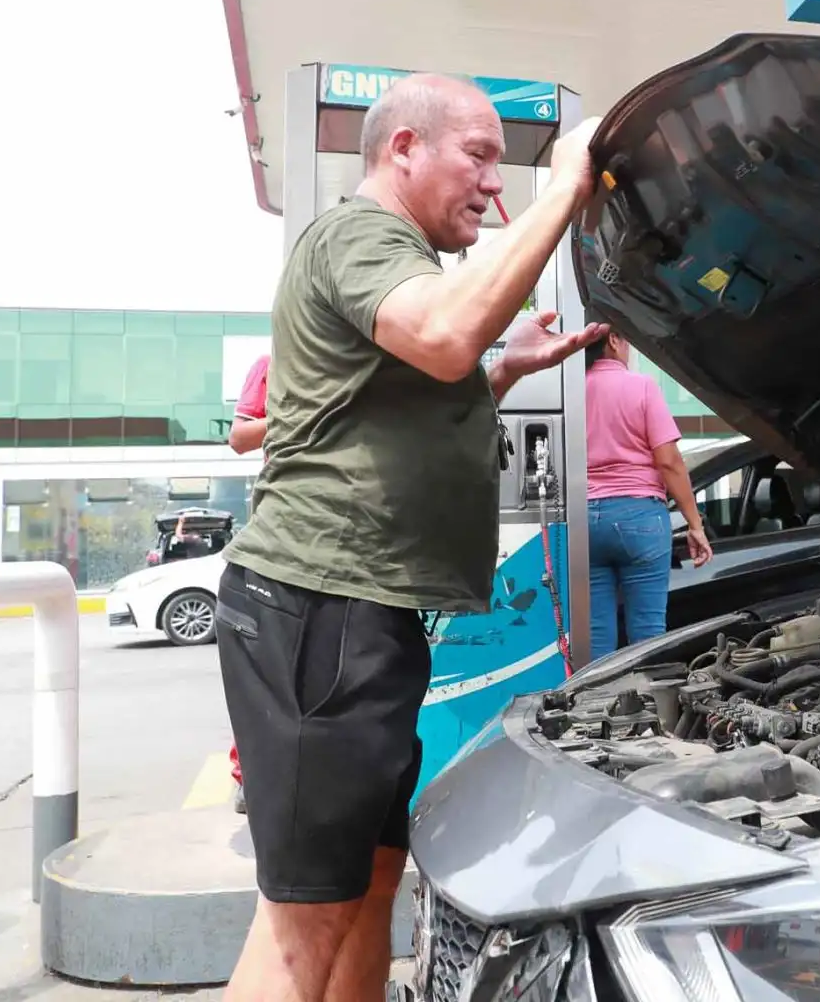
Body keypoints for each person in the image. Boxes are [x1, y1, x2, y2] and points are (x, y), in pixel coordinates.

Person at [215, 73, 606, 1002]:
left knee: (368, 885)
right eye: (477, 155)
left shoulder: (402, 264)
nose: (494, 185)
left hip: (369, 615)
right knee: (301, 923)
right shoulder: (361, 235)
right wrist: (564, 188)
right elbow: (441, 337)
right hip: (320, 608)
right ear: (403, 149)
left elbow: (408, 390)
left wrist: (502, 371)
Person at [584, 327, 713, 661]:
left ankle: (592, 710)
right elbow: (669, 462)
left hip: (583, 522)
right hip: (639, 517)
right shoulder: (641, 386)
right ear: (613, 339)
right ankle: (650, 709)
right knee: (647, 633)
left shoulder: (571, 391)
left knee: (595, 637)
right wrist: (694, 524)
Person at [225, 351, 269, 815]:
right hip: (283, 529)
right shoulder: (272, 364)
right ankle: (248, 773)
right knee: (265, 663)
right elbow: (239, 438)